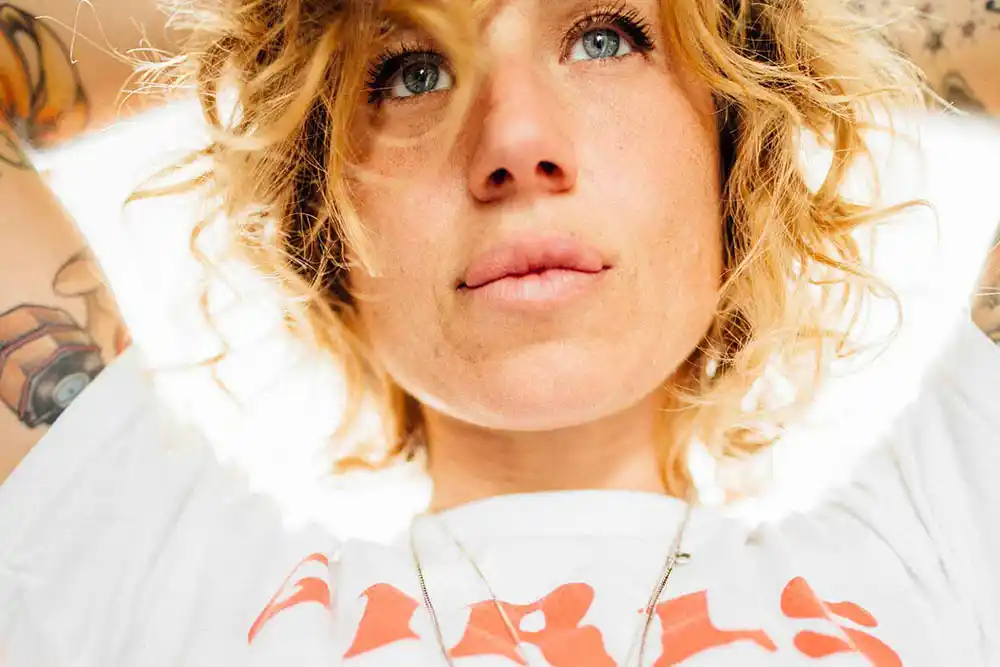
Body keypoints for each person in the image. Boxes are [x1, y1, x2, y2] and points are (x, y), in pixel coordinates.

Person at [0, 0, 998, 664]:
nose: (516, 141)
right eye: (410, 70)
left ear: (736, 149)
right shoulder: (161, 601)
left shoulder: (948, 561)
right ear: (325, 227)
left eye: (604, 38)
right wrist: (280, 32)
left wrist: (784, 29)